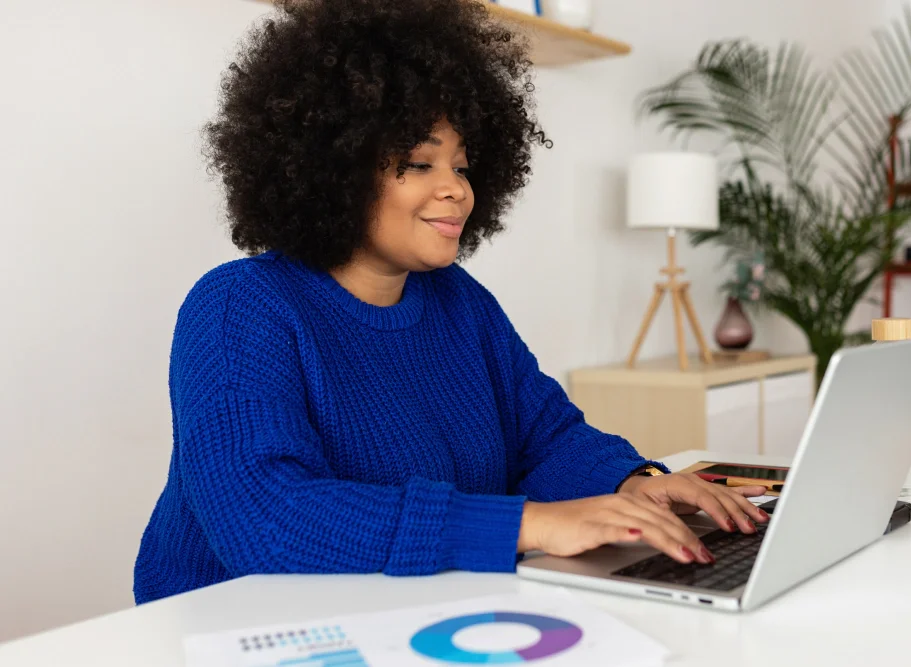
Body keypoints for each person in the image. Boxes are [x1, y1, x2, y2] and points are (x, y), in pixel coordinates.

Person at [132, 0, 767, 604]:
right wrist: (530, 527)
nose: (456, 192)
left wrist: (638, 486)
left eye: (461, 168)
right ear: (334, 167)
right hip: (238, 631)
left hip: (413, 616)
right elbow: (264, 518)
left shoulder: (462, 303)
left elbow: (543, 439)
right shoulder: (238, 307)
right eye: (418, 163)